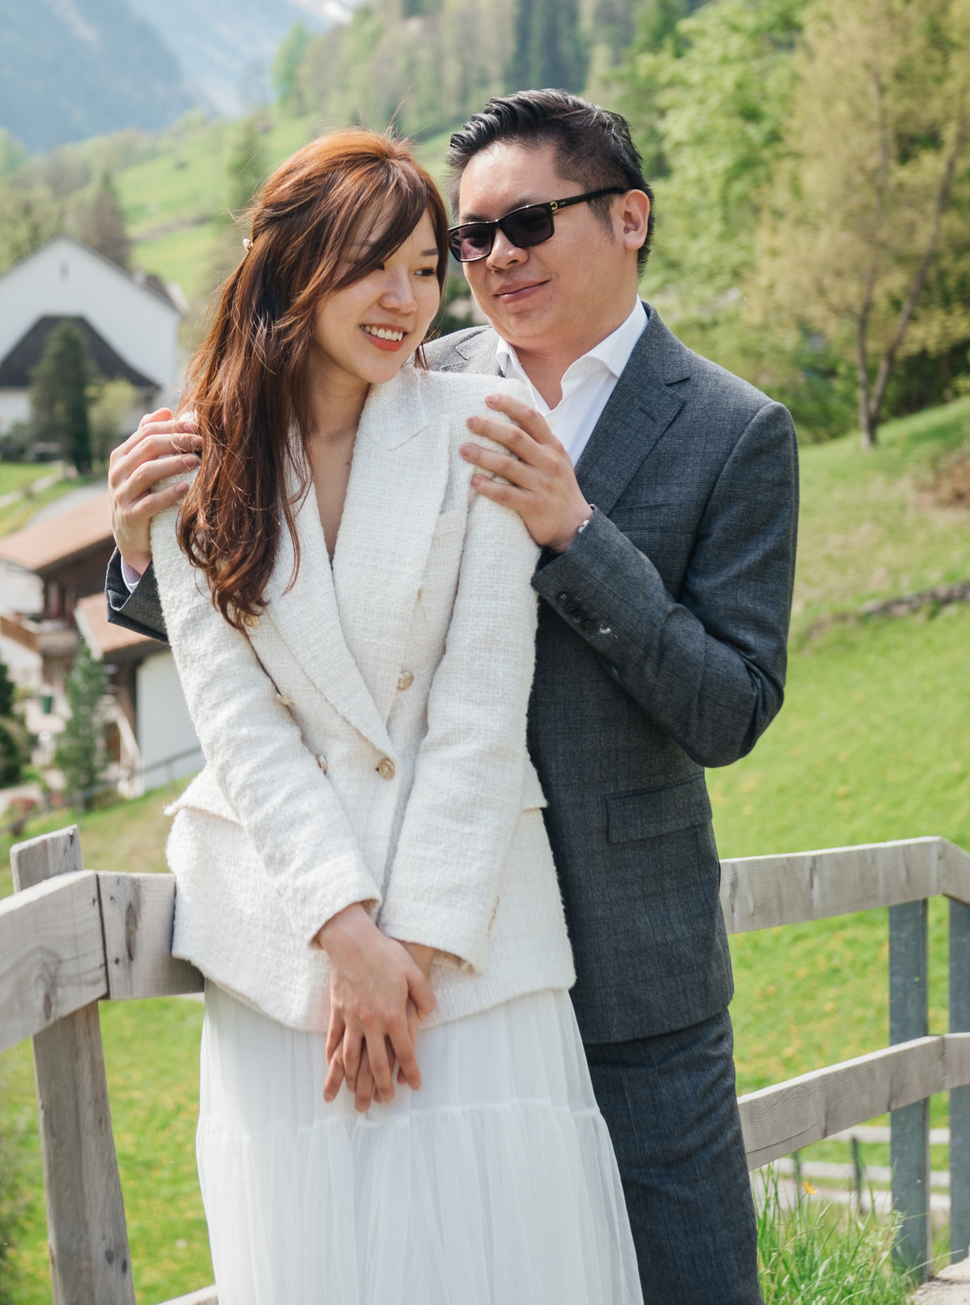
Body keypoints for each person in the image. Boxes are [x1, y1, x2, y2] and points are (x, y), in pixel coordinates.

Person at [109, 91, 797, 1305]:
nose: (486, 264)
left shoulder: (732, 432)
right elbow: (282, 645)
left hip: (622, 945)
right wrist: (132, 549)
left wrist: (576, 533)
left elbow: (728, 705)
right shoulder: (417, 374)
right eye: (466, 240)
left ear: (629, 217)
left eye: (521, 224)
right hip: (388, 940)